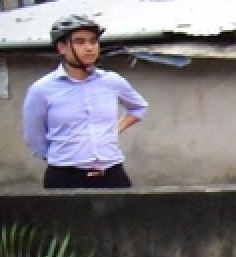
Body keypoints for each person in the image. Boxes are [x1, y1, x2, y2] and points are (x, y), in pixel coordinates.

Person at [23, 13, 147, 188]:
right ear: (62, 47)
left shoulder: (111, 81)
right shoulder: (41, 89)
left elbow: (139, 107)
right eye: (80, 42)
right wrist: (63, 159)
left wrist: (114, 130)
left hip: (111, 172)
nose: (89, 48)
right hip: (65, 176)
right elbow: (34, 137)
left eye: (93, 41)